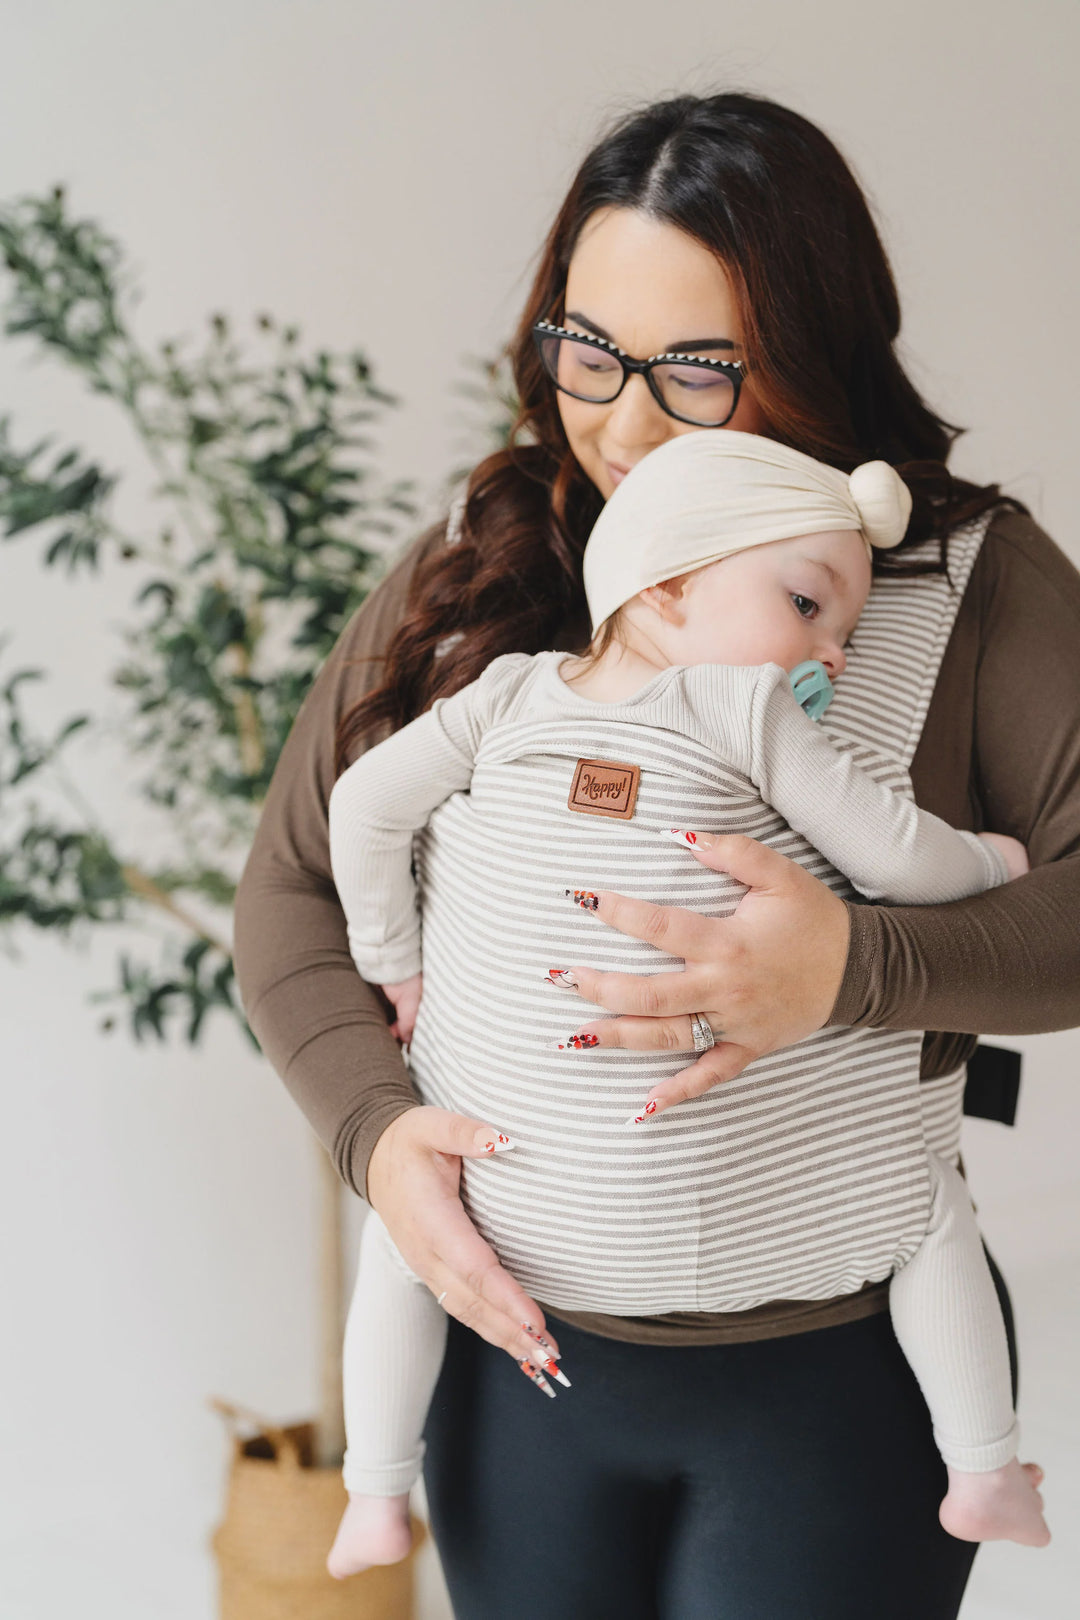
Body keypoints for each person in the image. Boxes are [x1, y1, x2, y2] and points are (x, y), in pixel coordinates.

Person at [234, 92, 1080, 1618]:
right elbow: (294, 883)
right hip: (518, 1373)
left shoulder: (969, 585)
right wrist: (378, 1138)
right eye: (590, 350)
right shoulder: (484, 564)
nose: (621, 425)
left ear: (821, 353)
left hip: (838, 1384)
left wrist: (856, 967)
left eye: (698, 371)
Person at [322, 430, 1049, 1580]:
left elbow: (364, 808)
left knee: (403, 1248)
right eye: (809, 606)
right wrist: (998, 867)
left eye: (848, 631)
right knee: (923, 1214)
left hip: (526, 1217)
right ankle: (985, 1469)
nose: (836, 655)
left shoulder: (503, 700)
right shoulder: (744, 712)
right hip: (631, 1299)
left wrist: (392, 955)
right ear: (663, 586)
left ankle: (375, 1493)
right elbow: (900, 858)